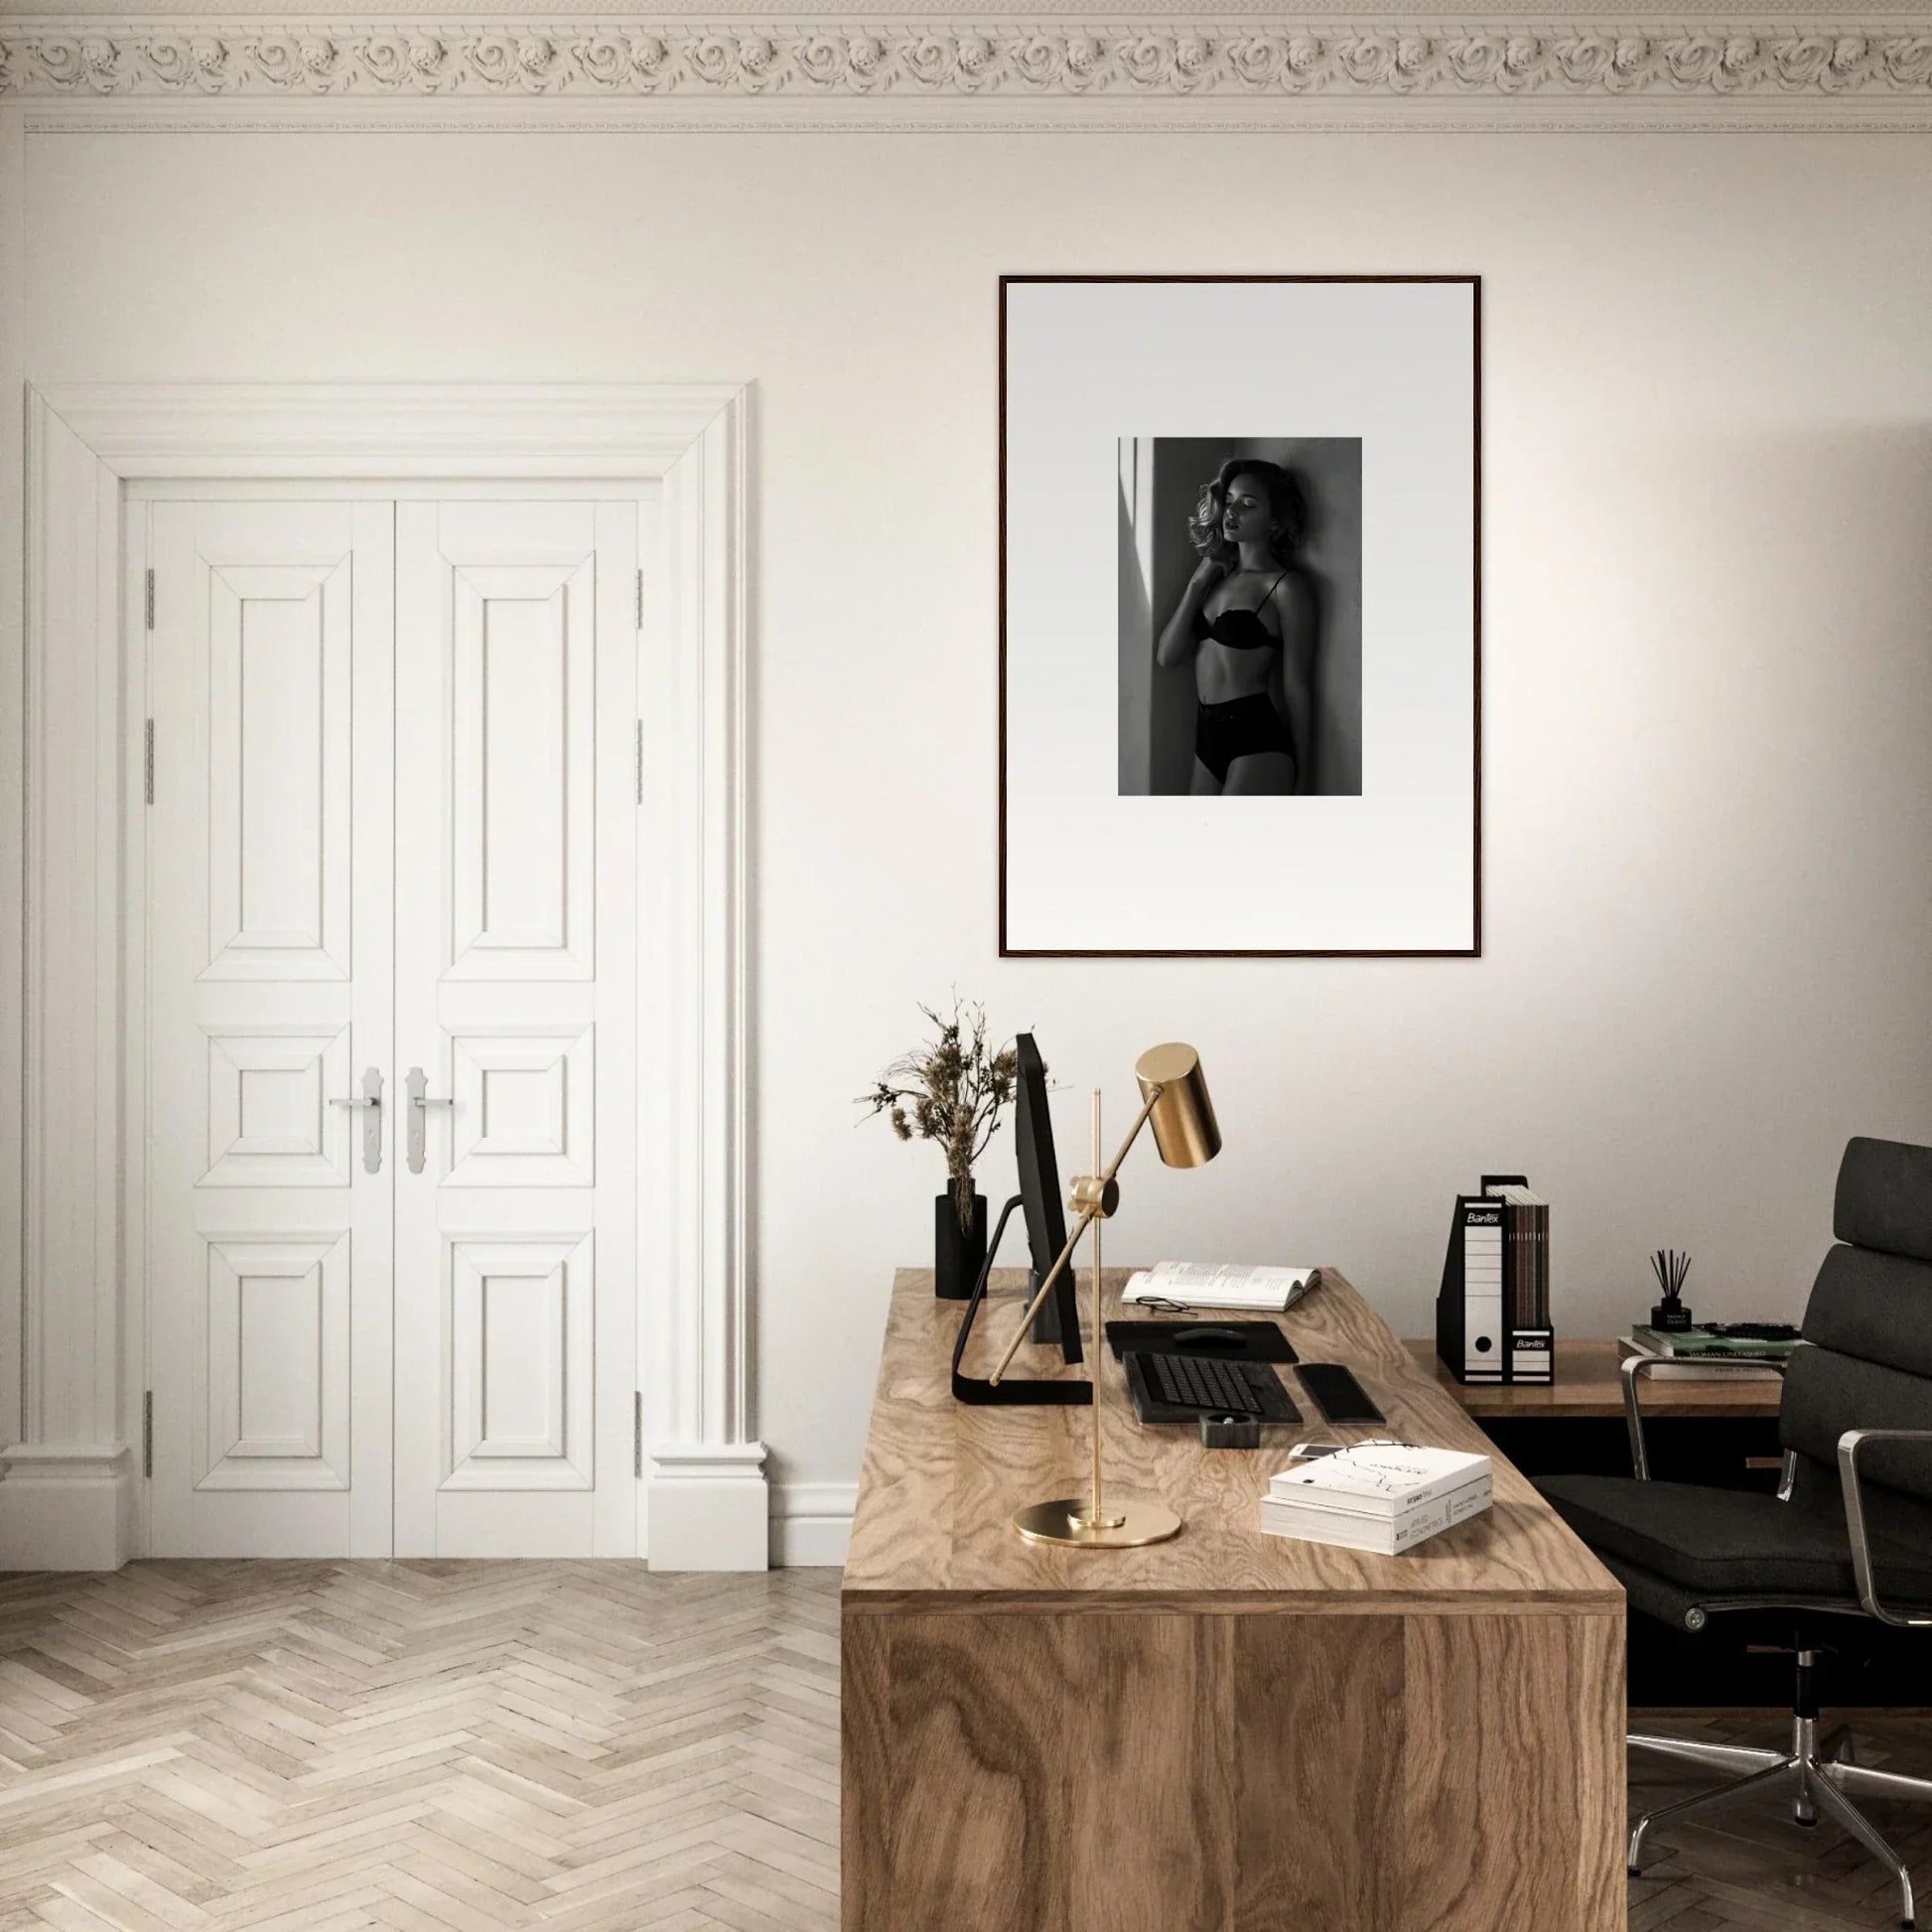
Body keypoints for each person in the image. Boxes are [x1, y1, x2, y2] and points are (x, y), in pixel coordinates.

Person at [1155, 459, 1313, 796]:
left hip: (1257, 742)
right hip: (1206, 741)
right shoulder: (1216, 581)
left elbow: (1297, 686)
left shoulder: (1286, 588)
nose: (1232, 511)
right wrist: (1197, 583)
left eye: (1248, 504)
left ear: (1274, 521)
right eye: (1229, 501)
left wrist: (1305, 776)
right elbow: (1168, 656)